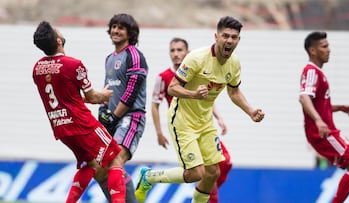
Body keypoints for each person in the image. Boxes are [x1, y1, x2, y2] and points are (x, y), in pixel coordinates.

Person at [136, 16, 265, 203]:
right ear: (216, 37)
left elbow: (234, 92)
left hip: (205, 122)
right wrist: (194, 94)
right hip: (182, 121)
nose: (229, 40)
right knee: (196, 173)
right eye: (225, 36)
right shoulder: (197, 58)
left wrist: (250, 111)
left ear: (238, 40)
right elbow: (172, 88)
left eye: (234, 37)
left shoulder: (234, 63)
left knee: (213, 172)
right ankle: (148, 177)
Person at [32, 21, 125, 203]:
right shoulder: (74, 65)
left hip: (61, 128)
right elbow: (92, 98)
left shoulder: (37, 69)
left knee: (89, 164)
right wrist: (105, 95)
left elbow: (63, 98)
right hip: (83, 125)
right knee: (116, 158)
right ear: (59, 40)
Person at [151, 37, 232, 203]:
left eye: (179, 50)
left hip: (203, 125)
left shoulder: (195, 71)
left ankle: (206, 191)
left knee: (224, 163)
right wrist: (159, 132)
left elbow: (207, 98)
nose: (175, 54)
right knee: (205, 171)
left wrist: (219, 118)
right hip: (185, 127)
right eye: (172, 50)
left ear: (187, 52)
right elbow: (155, 105)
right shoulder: (163, 77)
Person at [299, 31, 349, 203]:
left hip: (328, 131)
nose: (329, 50)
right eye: (324, 46)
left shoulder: (318, 73)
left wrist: (337, 107)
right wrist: (318, 121)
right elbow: (304, 97)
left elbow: (318, 104)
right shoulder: (311, 71)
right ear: (313, 50)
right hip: (323, 134)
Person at [97, 13, 148, 203]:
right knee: (99, 170)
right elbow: (107, 89)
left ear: (130, 32)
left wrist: (114, 116)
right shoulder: (109, 58)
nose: (116, 31)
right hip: (112, 119)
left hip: (130, 117)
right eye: (114, 26)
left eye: (121, 27)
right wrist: (103, 110)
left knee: (115, 161)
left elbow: (132, 90)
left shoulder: (134, 55)